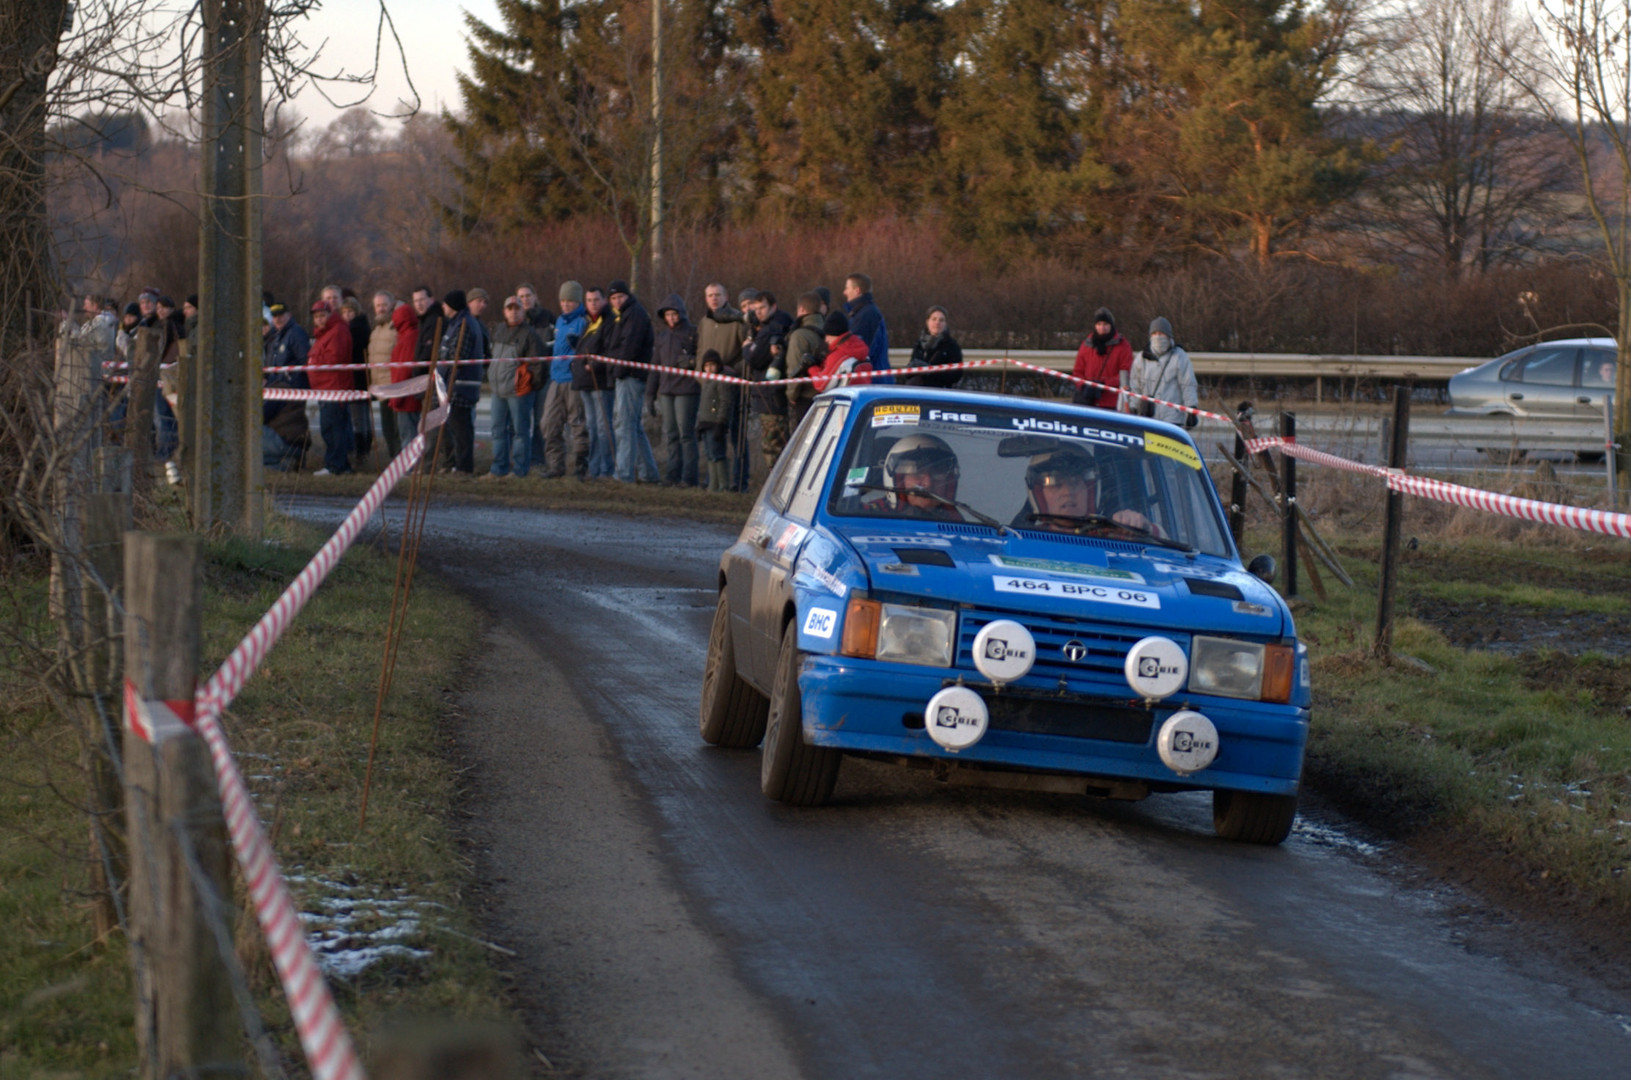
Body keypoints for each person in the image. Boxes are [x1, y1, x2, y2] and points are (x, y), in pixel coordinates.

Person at [1021, 443, 1161, 535]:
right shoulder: (1020, 540)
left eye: (1075, 482)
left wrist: (1144, 527)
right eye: (1056, 483)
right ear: (1039, 495)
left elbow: (1167, 551)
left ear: (1090, 491)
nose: (1068, 492)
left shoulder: (1116, 535)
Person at [603, 280, 659, 483]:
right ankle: (649, 473)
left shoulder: (634, 314)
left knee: (625, 426)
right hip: (628, 375)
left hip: (630, 376)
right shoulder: (624, 315)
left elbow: (629, 348)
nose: (617, 301)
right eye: (613, 298)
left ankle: (624, 474)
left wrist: (617, 370)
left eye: (620, 297)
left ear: (628, 296)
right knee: (634, 426)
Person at [696, 282, 751, 490]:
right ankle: (714, 481)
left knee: (737, 436)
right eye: (710, 295)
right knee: (711, 437)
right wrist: (702, 378)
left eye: (718, 294)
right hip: (708, 389)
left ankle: (739, 482)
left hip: (731, 388)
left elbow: (745, 355)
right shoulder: (704, 322)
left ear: (726, 296)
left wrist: (729, 373)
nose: (714, 299)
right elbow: (700, 350)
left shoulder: (737, 321)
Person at [487, 295, 548, 478]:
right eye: (510, 308)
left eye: (517, 308)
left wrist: (528, 386)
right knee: (497, 430)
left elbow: (540, 365)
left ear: (523, 311)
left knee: (520, 432)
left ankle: (520, 469)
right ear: (504, 312)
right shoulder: (498, 331)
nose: (513, 312)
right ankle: (498, 468)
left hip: (518, 393)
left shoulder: (530, 335)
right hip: (498, 391)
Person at [646, 293, 700, 486]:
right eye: (667, 315)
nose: (671, 318)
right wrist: (650, 394)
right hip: (666, 390)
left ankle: (689, 476)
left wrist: (692, 361)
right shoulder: (662, 337)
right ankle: (672, 474)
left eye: (674, 314)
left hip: (687, 388)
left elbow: (703, 359)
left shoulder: (693, 332)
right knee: (670, 433)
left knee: (686, 432)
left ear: (681, 313)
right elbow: (655, 367)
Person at [540, 281, 590, 479]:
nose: (566, 304)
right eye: (563, 300)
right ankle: (555, 466)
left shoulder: (583, 321)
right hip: (556, 378)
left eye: (570, 300)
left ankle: (580, 466)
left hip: (574, 380)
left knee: (577, 423)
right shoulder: (559, 321)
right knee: (548, 423)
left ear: (578, 301)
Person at [745, 291, 794, 469]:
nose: (758, 312)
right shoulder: (776, 324)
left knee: (773, 447)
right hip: (771, 395)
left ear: (773, 306)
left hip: (771, 397)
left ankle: (776, 488)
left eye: (762, 308)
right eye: (755, 309)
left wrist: (748, 345)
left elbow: (754, 359)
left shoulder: (772, 329)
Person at [306, 299, 355, 476]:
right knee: (331, 428)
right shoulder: (325, 334)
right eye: (316, 316)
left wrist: (312, 361)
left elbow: (334, 359)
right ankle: (340, 465)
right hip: (325, 388)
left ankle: (335, 465)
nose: (319, 319)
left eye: (322, 315)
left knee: (333, 429)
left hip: (334, 388)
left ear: (330, 315)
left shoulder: (337, 331)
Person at [438, 290, 485, 474]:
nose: (443, 307)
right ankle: (455, 464)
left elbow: (459, 355)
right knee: (455, 429)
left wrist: (444, 358)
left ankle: (464, 467)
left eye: (446, 303)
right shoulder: (456, 323)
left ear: (453, 306)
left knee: (462, 430)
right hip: (451, 384)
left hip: (461, 386)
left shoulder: (464, 324)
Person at [574, 287, 617, 479]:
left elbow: (611, 350)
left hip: (601, 381)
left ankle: (606, 469)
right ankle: (594, 467)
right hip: (585, 381)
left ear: (604, 301)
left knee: (603, 426)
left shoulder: (609, 322)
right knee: (592, 426)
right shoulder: (588, 322)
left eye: (596, 299)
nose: (593, 303)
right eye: (589, 300)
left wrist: (596, 364)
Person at [1127, 316, 1199, 426]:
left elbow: (1188, 385)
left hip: (1172, 419)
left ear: (1168, 336)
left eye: (1161, 334)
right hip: (1148, 417)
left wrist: (1191, 409)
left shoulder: (1179, 357)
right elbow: (1135, 386)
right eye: (1154, 334)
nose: (1158, 337)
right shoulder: (1142, 358)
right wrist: (1134, 407)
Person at [883, 433, 962, 519]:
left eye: (937, 475)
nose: (928, 483)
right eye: (917, 474)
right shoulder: (870, 516)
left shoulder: (960, 526)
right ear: (899, 479)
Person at [1072, 307, 1133, 411]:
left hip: (1112, 402)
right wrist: (1084, 386)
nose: (1102, 328)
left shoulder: (1123, 346)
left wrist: (1104, 385)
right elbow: (1078, 371)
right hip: (1088, 401)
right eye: (1099, 324)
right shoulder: (1086, 345)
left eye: (1105, 324)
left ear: (1111, 326)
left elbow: (1126, 374)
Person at [783, 292, 827, 429]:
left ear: (801, 309)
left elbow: (795, 369)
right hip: (827, 393)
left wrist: (791, 395)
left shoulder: (799, 336)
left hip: (805, 397)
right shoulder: (830, 331)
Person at [340, 293, 374, 465]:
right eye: (344, 313)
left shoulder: (356, 329)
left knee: (358, 416)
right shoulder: (361, 326)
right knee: (362, 415)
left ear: (356, 312)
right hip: (360, 376)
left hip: (357, 376)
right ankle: (365, 447)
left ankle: (362, 450)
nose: (347, 316)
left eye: (350, 312)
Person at [368, 291, 401, 460]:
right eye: (378, 305)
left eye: (384, 305)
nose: (381, 309)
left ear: (391, 305)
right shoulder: (376, 330)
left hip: (394, 386)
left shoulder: (396, 327)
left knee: (397, 429)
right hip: (380, 388)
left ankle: (401, 462)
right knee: (387, 429)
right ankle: (393, 461)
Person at [386, 301, 423, 448]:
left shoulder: (408, 339)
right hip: (408, 395)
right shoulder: (411, 335)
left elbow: (404, 370)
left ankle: (409, 467)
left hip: (406, 397)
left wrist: (396, 396)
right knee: (410, 433)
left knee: (408, 435)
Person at [696, 350, 732, 493]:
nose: (709, 369)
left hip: (716, 424)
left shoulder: (721, 381)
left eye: (712, 365)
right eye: (707, 366)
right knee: (710, 455)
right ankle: (713, 485)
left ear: (718, 366)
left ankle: (723, 486)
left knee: (718, 455)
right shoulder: (706, 383)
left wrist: (721, 422)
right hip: (705, 423)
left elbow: (725, 402)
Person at [903, 306, 963, 388]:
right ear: (927, 322)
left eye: (941, 320)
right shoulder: (919, 344)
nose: (937, 322)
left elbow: (956, 375)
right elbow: (908, 373)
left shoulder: (952, 346)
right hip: (918, 391)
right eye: (934, 319)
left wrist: (931, 371)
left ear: (945, 324)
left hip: (939, 393)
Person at [811, 311, 872, 391]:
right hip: (862, 397)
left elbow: (820, 385)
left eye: (828, 335)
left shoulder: (837, 356)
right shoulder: (861, 349)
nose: (826, 340)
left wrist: (812, 368)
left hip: (843, 400)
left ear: (834, 334)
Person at [843, 273, 889, 374]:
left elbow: (860, 352)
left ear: (857, 290)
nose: (844, 292)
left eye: (847, 288)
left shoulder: (866, 316)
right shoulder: (863, 313)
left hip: (872, 380)